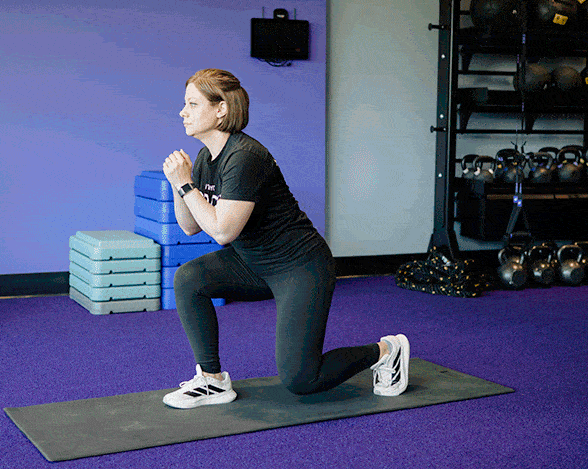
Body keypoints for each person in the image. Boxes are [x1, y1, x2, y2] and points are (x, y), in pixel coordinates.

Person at [160, 68, 409, 409]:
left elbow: (222, 231)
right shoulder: (206, 157)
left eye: (191, 103)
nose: (182, 111)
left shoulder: (244, 157)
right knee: (189, 278)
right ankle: (212, 380)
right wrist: (179, 184)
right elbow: (190, 227)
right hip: (252, 262)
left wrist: (186, 184)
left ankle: (386, 351)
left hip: (299, 267)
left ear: (221, 110)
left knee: (302, 379)